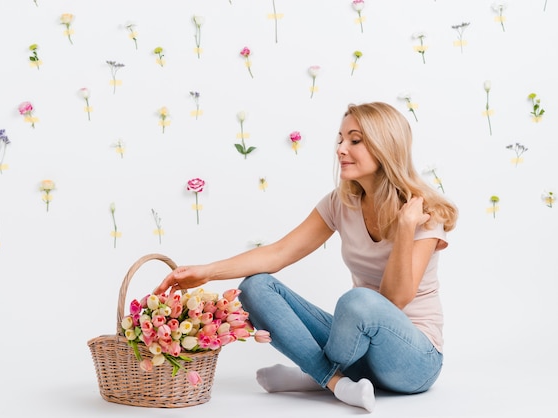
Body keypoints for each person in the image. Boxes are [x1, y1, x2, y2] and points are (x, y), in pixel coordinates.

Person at [154, 101, 458, 413]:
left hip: (414, 361)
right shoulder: (341, 203)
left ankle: (313, 374)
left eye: (355, 140)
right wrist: (207, 272)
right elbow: (279, 253)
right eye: (340, 139)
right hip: (359, 353)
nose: (341, 149)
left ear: (386, 146)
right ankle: (337, 382)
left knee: (358, 302)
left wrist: (406, 228)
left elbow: (395, 299)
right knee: (255, 286)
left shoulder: (423, 212)